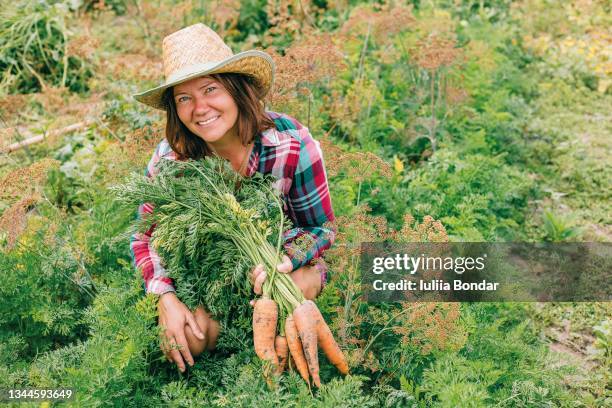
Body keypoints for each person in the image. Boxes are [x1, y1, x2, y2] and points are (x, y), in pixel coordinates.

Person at [130, 24, 335, 373]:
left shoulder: (292, 143)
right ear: (174, 109)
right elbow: (144, 239)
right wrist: (164, 296)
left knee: (301, 284)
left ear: (237, 89)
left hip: (280, 272)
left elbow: (322, 228)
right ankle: (256, 331)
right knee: (189, 340)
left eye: (211, 89)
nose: (200, 108)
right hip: (212, 282)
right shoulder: (170, 163)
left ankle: (273, 329)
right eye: (184, 98)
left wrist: (286, 260)